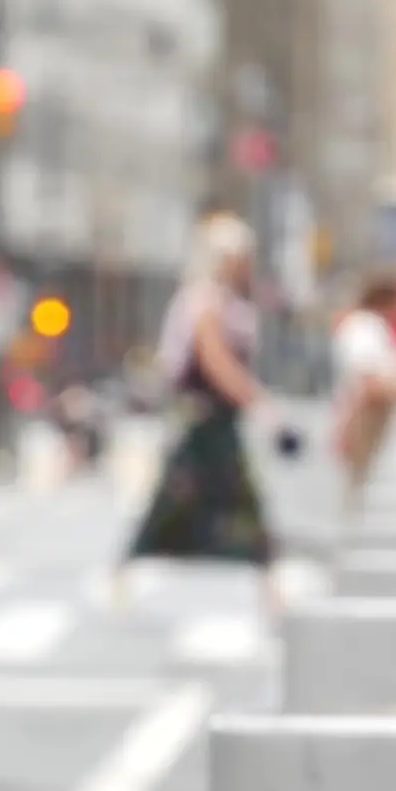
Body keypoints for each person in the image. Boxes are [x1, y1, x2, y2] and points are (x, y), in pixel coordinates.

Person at [116, 215, 282, 618]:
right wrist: (257, 402)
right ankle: (122, 575)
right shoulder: (204, 300)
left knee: (225, 501)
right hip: (204, 419)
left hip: (220, 420)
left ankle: (268, 583)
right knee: (182, 500)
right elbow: (215, 360)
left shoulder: (231, 299)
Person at [332, 272, 396, 513]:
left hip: (371, 421)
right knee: (360, 495)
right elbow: (369, 384)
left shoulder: (374, 329)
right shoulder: (365, 328)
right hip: (366, 420)